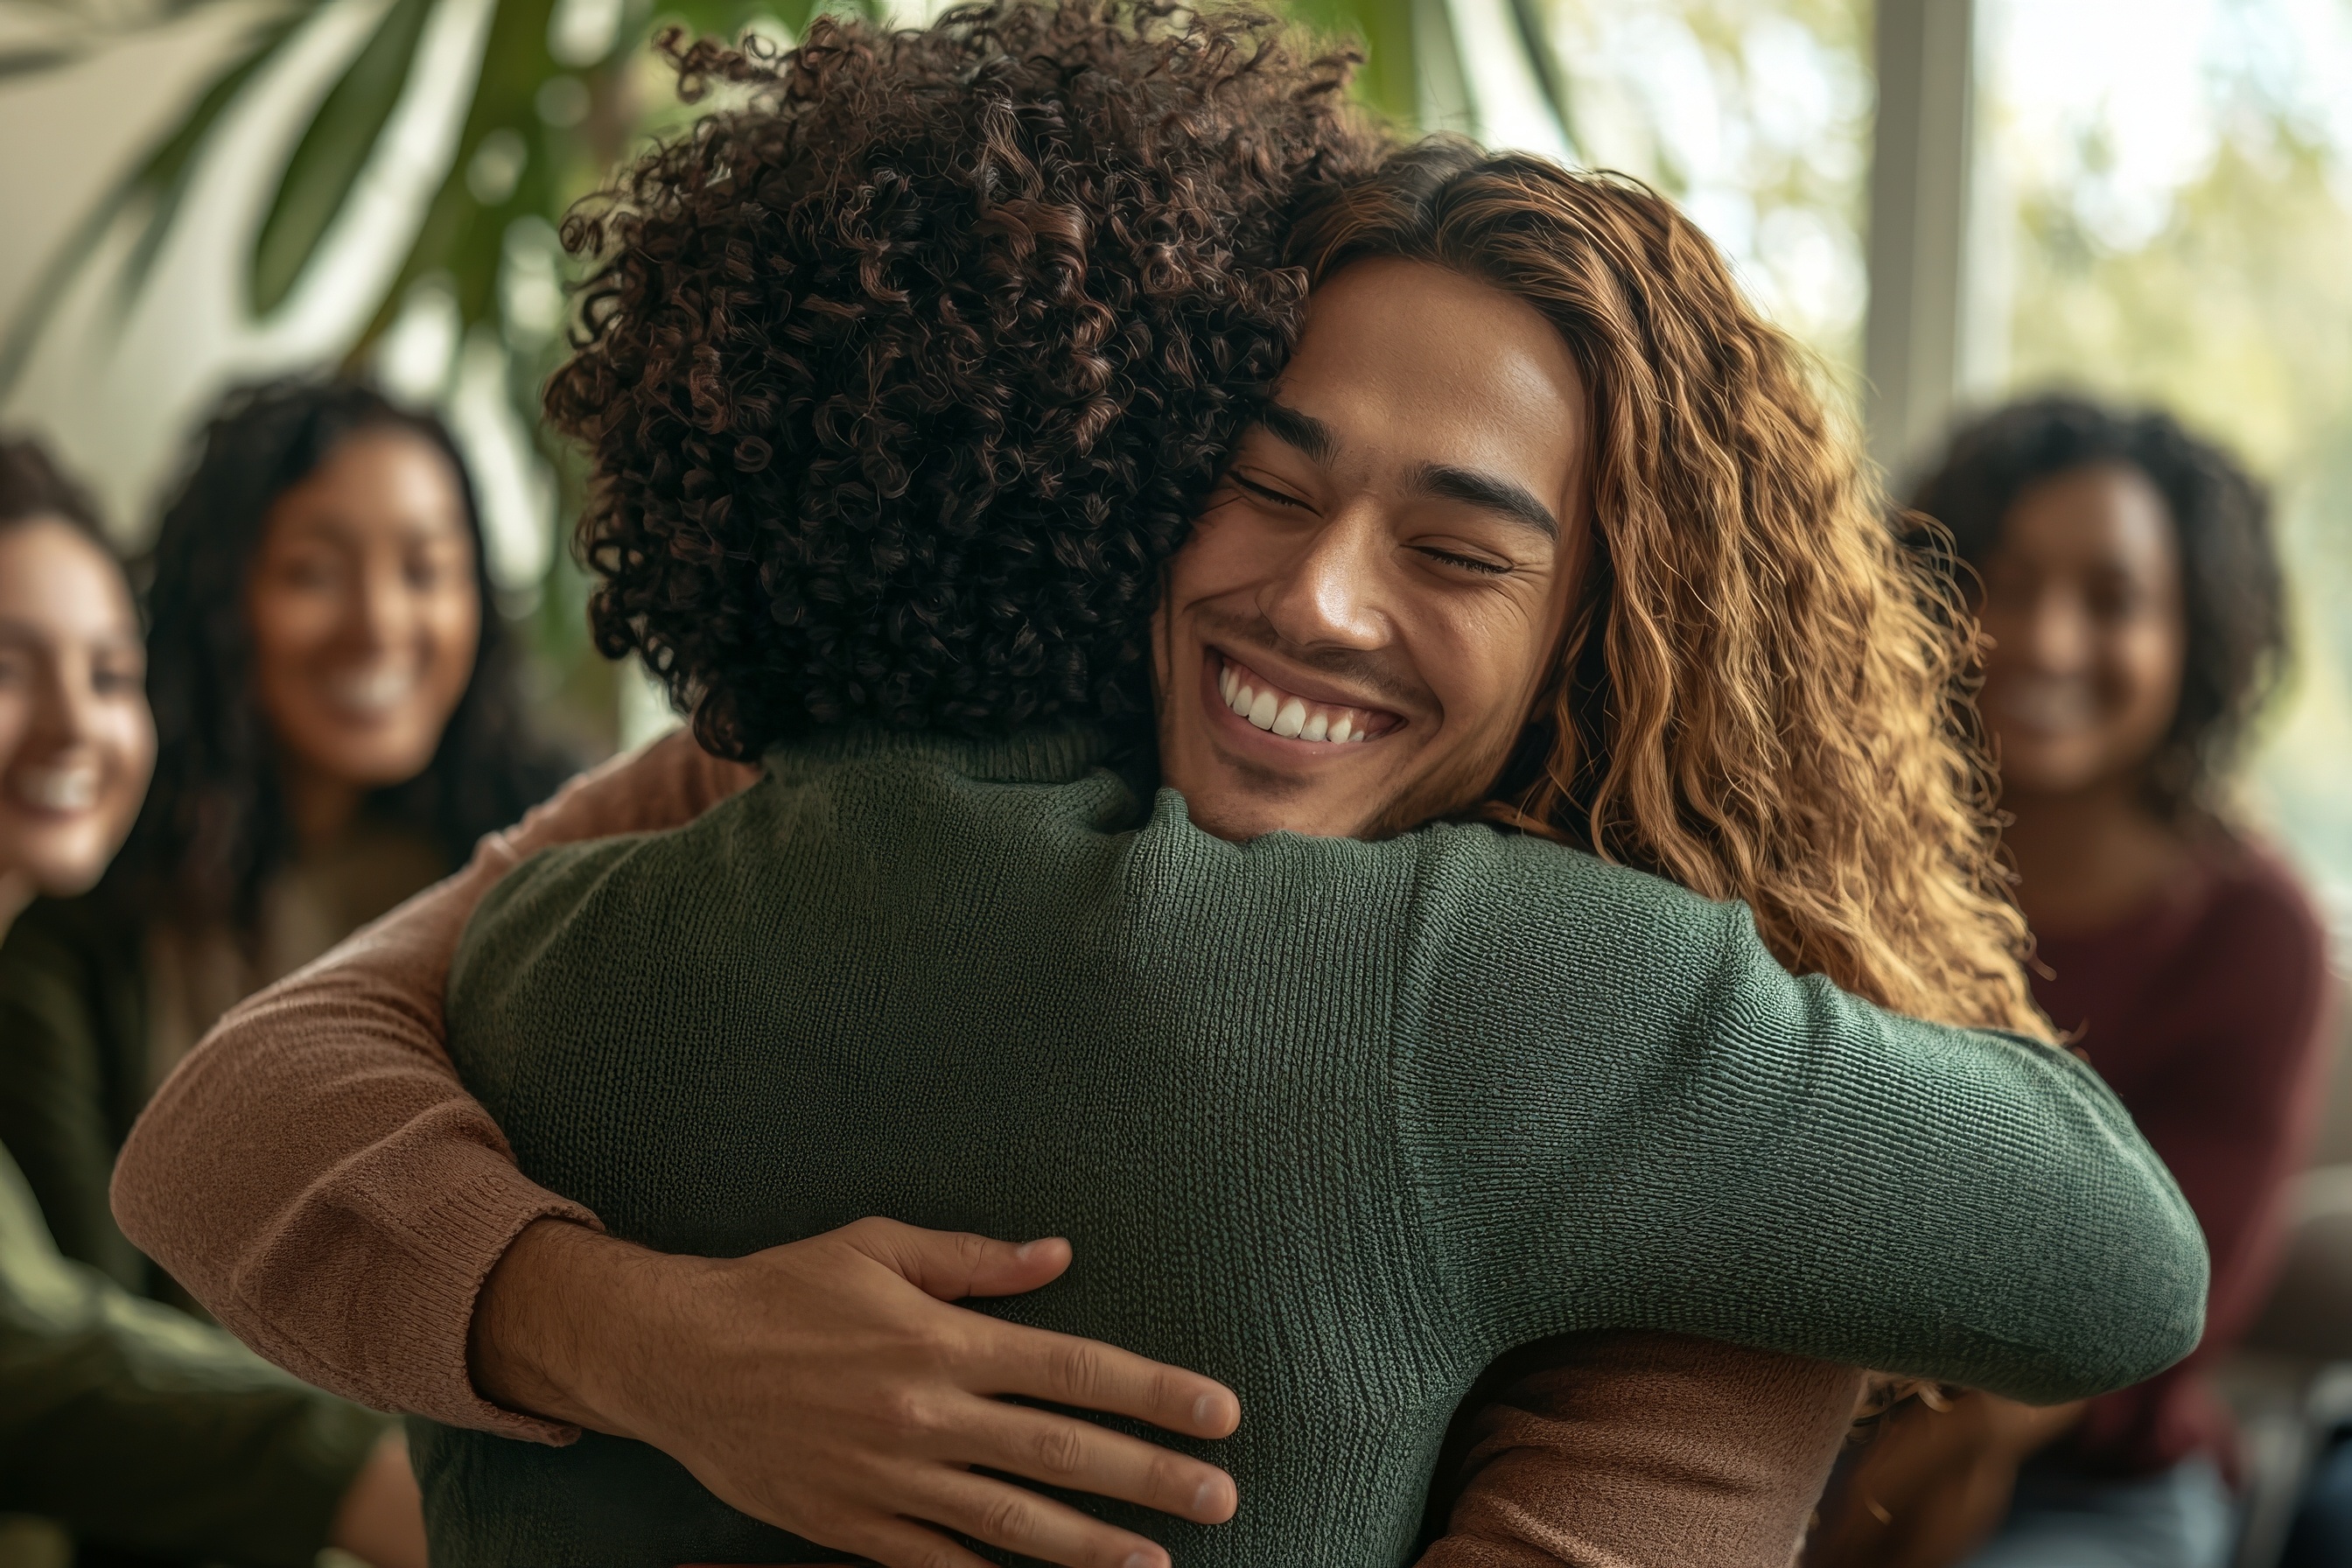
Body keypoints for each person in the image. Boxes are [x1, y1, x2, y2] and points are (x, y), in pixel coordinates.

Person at [117, 10, 2202, 1567]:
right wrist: (642, 1339)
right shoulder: (793, 792)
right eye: (1258, 479)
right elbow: (240, 1105)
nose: (1312, 598)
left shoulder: (1569, 1012)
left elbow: (2107, 1256)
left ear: (1618, 635)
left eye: (1457, 551)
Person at [1806, 396, 2332, 1568]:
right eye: (2006, 579)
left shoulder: (2256, 930)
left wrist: (1873, 1509)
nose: (2043, 640)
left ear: (2195, 635)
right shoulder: (1841, 854)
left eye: (2112, 600)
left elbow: (2156, 1313)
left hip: (2083, 1490)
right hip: (1797, 1433)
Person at [0, 379, 569, 1296]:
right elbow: (83, 1315)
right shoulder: (85, 894)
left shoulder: (550, 878)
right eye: (314, 573)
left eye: (425, 571)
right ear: (222, 595)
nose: (380, 625)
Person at [0, 436, 426, 1566]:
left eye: (107, 675)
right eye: (6, 667)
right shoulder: (80, 956)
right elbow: (41, 1357)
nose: (72, 725)